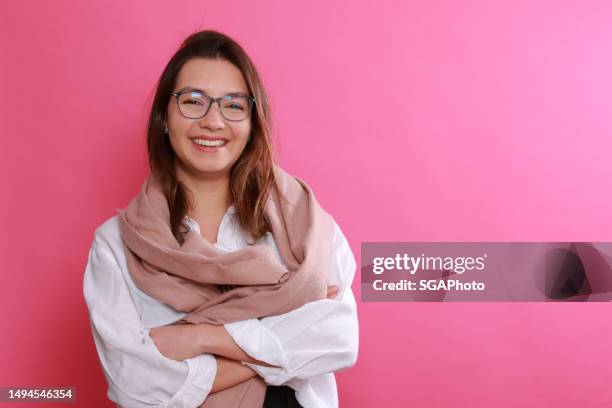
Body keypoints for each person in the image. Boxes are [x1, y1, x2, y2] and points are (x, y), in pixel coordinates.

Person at [82, 29, 359, 408]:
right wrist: (282, 344)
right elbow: (134, 385)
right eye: (193, 101)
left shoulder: (305, 227)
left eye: (233, 105)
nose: (213, 121)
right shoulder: (116, 246)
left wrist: (202, 338)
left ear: (251, 123)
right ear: (164, 117)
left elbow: (339, 338)